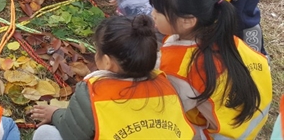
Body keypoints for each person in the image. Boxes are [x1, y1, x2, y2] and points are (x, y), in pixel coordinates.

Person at [30, 15, 195, 140]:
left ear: (107, 62)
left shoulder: (93, 92)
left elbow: (71, 133)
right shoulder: (166, 85)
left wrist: (55, 114)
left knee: (45, 134)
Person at [151, 0, 272, 139]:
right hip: (252, 115)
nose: (152, 14)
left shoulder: (181, 70)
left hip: (224, 133)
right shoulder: (225, 36)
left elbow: (167, 109)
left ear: (188, 21)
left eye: (158, 10)